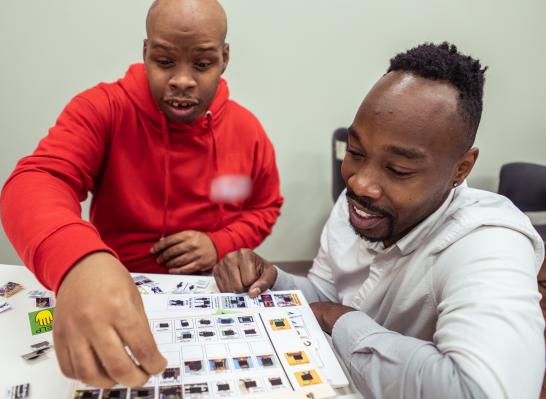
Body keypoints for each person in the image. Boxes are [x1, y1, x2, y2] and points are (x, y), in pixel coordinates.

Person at [214, 42, 545, 398]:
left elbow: (483, 392)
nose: (360, 183)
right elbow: (328, 291)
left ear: (460, 169)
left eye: (398, 169)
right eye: (356, 153)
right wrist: (274, 278)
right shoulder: (358, 202)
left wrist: (341, 321)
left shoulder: (489, 242)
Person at [0, 0, 283, 388]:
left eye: (201, 64)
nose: (182, 80)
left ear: (224, 58)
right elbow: (37, 180)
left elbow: (264, 206)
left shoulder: (247, 132)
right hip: (110, 286)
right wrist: (79, 262)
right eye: (165, 61)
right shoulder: (103, 109)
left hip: (210, 293)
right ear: (145, 52)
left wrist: (220, 243)